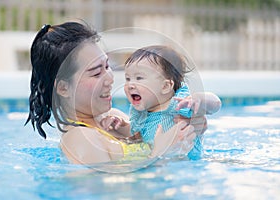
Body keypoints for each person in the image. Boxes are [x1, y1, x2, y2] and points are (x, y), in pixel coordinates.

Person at [25, 21, 206, 167]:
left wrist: (188, 129)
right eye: (96, 72)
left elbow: (155, 133)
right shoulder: (79, 141)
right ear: (63, 88)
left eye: (107, 66)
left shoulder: (113, 119)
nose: (110, 78)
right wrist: (162, 154)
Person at [100, 45, 221, 159]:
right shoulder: (141, 112)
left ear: (165, 87)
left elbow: (216, 104)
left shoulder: (178, 104)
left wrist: (199, 98)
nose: (130, 85)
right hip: (163, 162)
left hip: (187, 163)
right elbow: (134, 133)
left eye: (139, 78)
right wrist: (119, 126)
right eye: (128, 78)